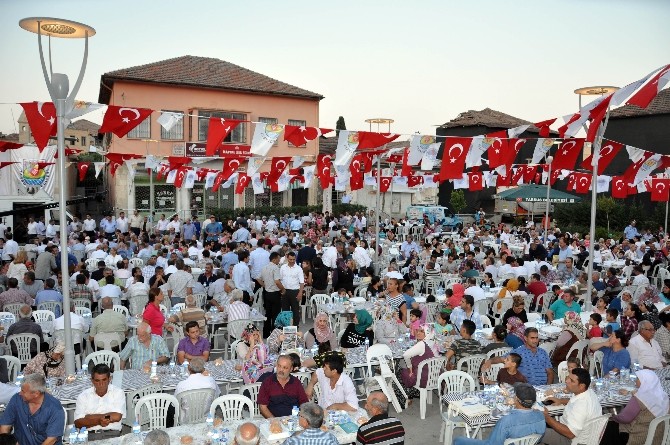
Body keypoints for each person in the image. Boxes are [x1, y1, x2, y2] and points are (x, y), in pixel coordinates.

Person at [454, 382, 544, 445]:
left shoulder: (506, 421)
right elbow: (539, 439)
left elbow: (492, 444)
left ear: (516, 399)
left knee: (458, 440)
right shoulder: (541, 416)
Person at [607, 369, 670, 445]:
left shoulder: (638, 399)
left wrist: (611, 416)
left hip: (640, 438)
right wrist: (631, 392)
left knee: (610, 426)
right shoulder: (664, 396)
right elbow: (647, 397)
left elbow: (625, 419)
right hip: (659, 437)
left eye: (637, 379)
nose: (635, 381)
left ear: (644, 381)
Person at [0, 373, 65, 445]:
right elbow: (4, 427)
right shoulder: (16, 400)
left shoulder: (54, 407)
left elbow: (51, 440)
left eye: (23, 391)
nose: (20, 393)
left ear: (36, 394)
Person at [542, 368, 602, 445]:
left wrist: (546, 417)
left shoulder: (581, 406)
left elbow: (570, 434)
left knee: (536, 432)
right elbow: (576, 401)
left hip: (572, 440)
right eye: (568, 377)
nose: (567, 381)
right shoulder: (588, 392)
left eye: (572, 381)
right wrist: (561, 401)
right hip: (583, 435)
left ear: (581, 386)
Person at [483, 327, 554, 386]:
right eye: (532, 338)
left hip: (543, 387)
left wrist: (548, 386)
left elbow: (550, 372)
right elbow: (502, 359)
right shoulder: (518, 352)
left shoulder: (543, 352)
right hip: (525, 387)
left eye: (536, 338)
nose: (535, 341)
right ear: (525, 338)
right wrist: (490, 361)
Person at [73, 363, 126, 440]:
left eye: (104, 380)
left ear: (109, 379)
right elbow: (78, 423)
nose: (101, 384)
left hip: (113, 435)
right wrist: (98, 420)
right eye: (97, 381)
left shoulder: (118, 393)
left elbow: (117, 416)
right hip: (90, 436)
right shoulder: (83, 396)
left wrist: (89, 417)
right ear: (92, 381)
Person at [394, 324, 435, 408]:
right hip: (433, 376)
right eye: (418, 330)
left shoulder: (422, 344)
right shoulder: (433, 342)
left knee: (398, 371)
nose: (418, 333)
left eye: (422, 331)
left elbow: (406, 355)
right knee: (404, 368)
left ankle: (405, 399)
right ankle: (414, 393)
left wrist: (410, 369)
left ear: (427, 333)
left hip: (423, 378)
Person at [174, 357, 220, 423]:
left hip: (186, 421)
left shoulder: (181, 385)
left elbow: (175, 404)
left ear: (189, 369)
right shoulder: (211, 381)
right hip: (206, 418)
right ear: (203, 369)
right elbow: (216, 397)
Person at [280, 251, 305, 328]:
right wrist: (281, 290)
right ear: (287, 258)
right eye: (290, 259)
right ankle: (285, 326)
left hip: (295, 291)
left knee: (295, 310)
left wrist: (300, 293)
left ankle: (295, 326)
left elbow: (302, 282)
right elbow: (280, 279)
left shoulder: (299, 269)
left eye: (293, 259)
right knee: (285, 310)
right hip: (285, 291)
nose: (292, 261)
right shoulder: (283, 267)